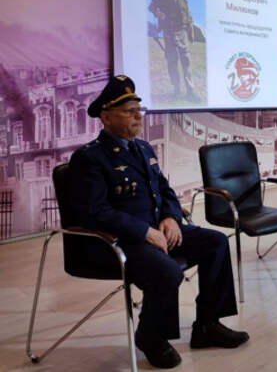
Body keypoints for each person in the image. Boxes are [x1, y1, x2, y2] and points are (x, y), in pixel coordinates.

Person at [69, 75, 248, 369]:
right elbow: (95, 212)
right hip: (119, 241)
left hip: (158, 231)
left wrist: (171, 217)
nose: (139, 115)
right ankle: (150, 336)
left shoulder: (144, 149)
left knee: (215, 242)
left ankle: (207, 324)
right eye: (129, 110)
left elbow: (165, 190)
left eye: (140, 109)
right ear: (106, 116)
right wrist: (144, 231)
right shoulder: (89, 158)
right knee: (166, 272)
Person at [149, 0, 198, 101]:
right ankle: (176, 91)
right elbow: (151, 7)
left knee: (186, 63)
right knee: (172, 63)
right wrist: (158, 14)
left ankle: (190, 92)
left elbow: (189, 16)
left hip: (182, 33)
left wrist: (191, 32)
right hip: (169, 33)